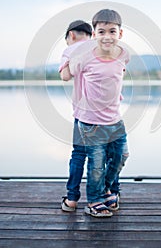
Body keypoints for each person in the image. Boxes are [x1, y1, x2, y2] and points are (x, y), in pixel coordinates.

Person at [68, 9, 129, 217]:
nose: (107, 36)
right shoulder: (84, 58)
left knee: (121, 156)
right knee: (96, 164)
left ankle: (105, 189)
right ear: (94, 34)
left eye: (112, 31)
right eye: (101, 31)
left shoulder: (124, 55)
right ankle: (94, 202)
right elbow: (70, 75)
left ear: (120, 34)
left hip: (115, 119)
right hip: (90, 120)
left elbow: (116, 77)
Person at [59, 20, 120, 212]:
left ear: (72, 35)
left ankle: (72, 200)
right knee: (110, 154)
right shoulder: (102, 47)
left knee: (79, 154)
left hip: (84, 114)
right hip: (110, 113)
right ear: (92, 34)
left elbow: (65, 76)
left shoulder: (71, 50)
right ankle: (111, 195)